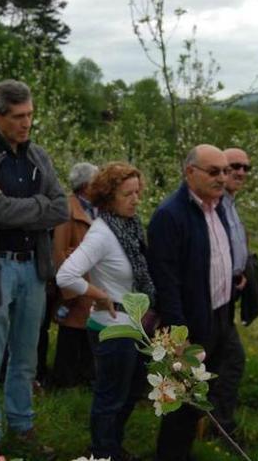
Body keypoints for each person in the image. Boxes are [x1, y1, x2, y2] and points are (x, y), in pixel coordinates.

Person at [0, 79, 68, 455]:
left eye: (30, 115)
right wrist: (38, 209)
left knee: (26, 358)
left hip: (32, 270)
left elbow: (61, 207)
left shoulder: (38, 156)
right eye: (19, 116)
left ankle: (22, 427)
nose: (26, 123)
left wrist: (26, 208)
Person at [56, 162, 150, 461]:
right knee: (111, 395)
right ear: (109, 197)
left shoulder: (130, 226)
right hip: (111, 326)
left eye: (138, 192)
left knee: (133, 389)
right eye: (127, 194)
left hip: (134, 322)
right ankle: (101, 452)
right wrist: (99, 294)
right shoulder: (102, 233)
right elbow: (66, 275)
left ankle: (111, 445)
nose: (135, 199)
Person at [148, 144, 235, 461]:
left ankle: (182, 453)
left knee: (200, 396)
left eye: (225, 171)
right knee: (181, 401)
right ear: (190, 172)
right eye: (214, 171)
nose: (223, 178)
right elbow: (166, 282)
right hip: (190, 327)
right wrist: (179, 337)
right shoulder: (170, 215)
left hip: (219, 317)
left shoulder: (217, 206)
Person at [206, 147, 252, 436]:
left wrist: (241, 272)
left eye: (246, 168)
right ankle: (220, 425)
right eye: (234, 166)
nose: (240, 172)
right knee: (229, 360)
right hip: (212, 298)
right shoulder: (214, 204)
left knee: (222, 360)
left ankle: (213, 422)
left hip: (229, 293)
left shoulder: (230, 203)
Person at [51, 162, 98, 389]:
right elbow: (59, 250)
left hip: (92, 281)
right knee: (70, 332)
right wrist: (70, 290)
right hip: (77, 283)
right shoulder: (67, 209)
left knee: (87, 331)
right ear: (86, 185)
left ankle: (84, 377)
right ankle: (64, 381)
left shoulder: (95, 208)